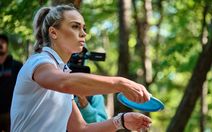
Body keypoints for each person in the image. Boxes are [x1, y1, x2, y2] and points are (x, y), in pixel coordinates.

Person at [10, 4, 152, 132]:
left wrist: (121, 121)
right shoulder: (40, 61)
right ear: (53, 32)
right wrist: (121, 83)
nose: (84, 33)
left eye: (84, 28)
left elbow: (81, 129)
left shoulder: (63, 73)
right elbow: (64, 83)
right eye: (75, 26)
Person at [0, 34, 23, 132]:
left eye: (3, 42)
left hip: (11, 112)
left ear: (7, 45)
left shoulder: (17, 65)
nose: (0, 44)